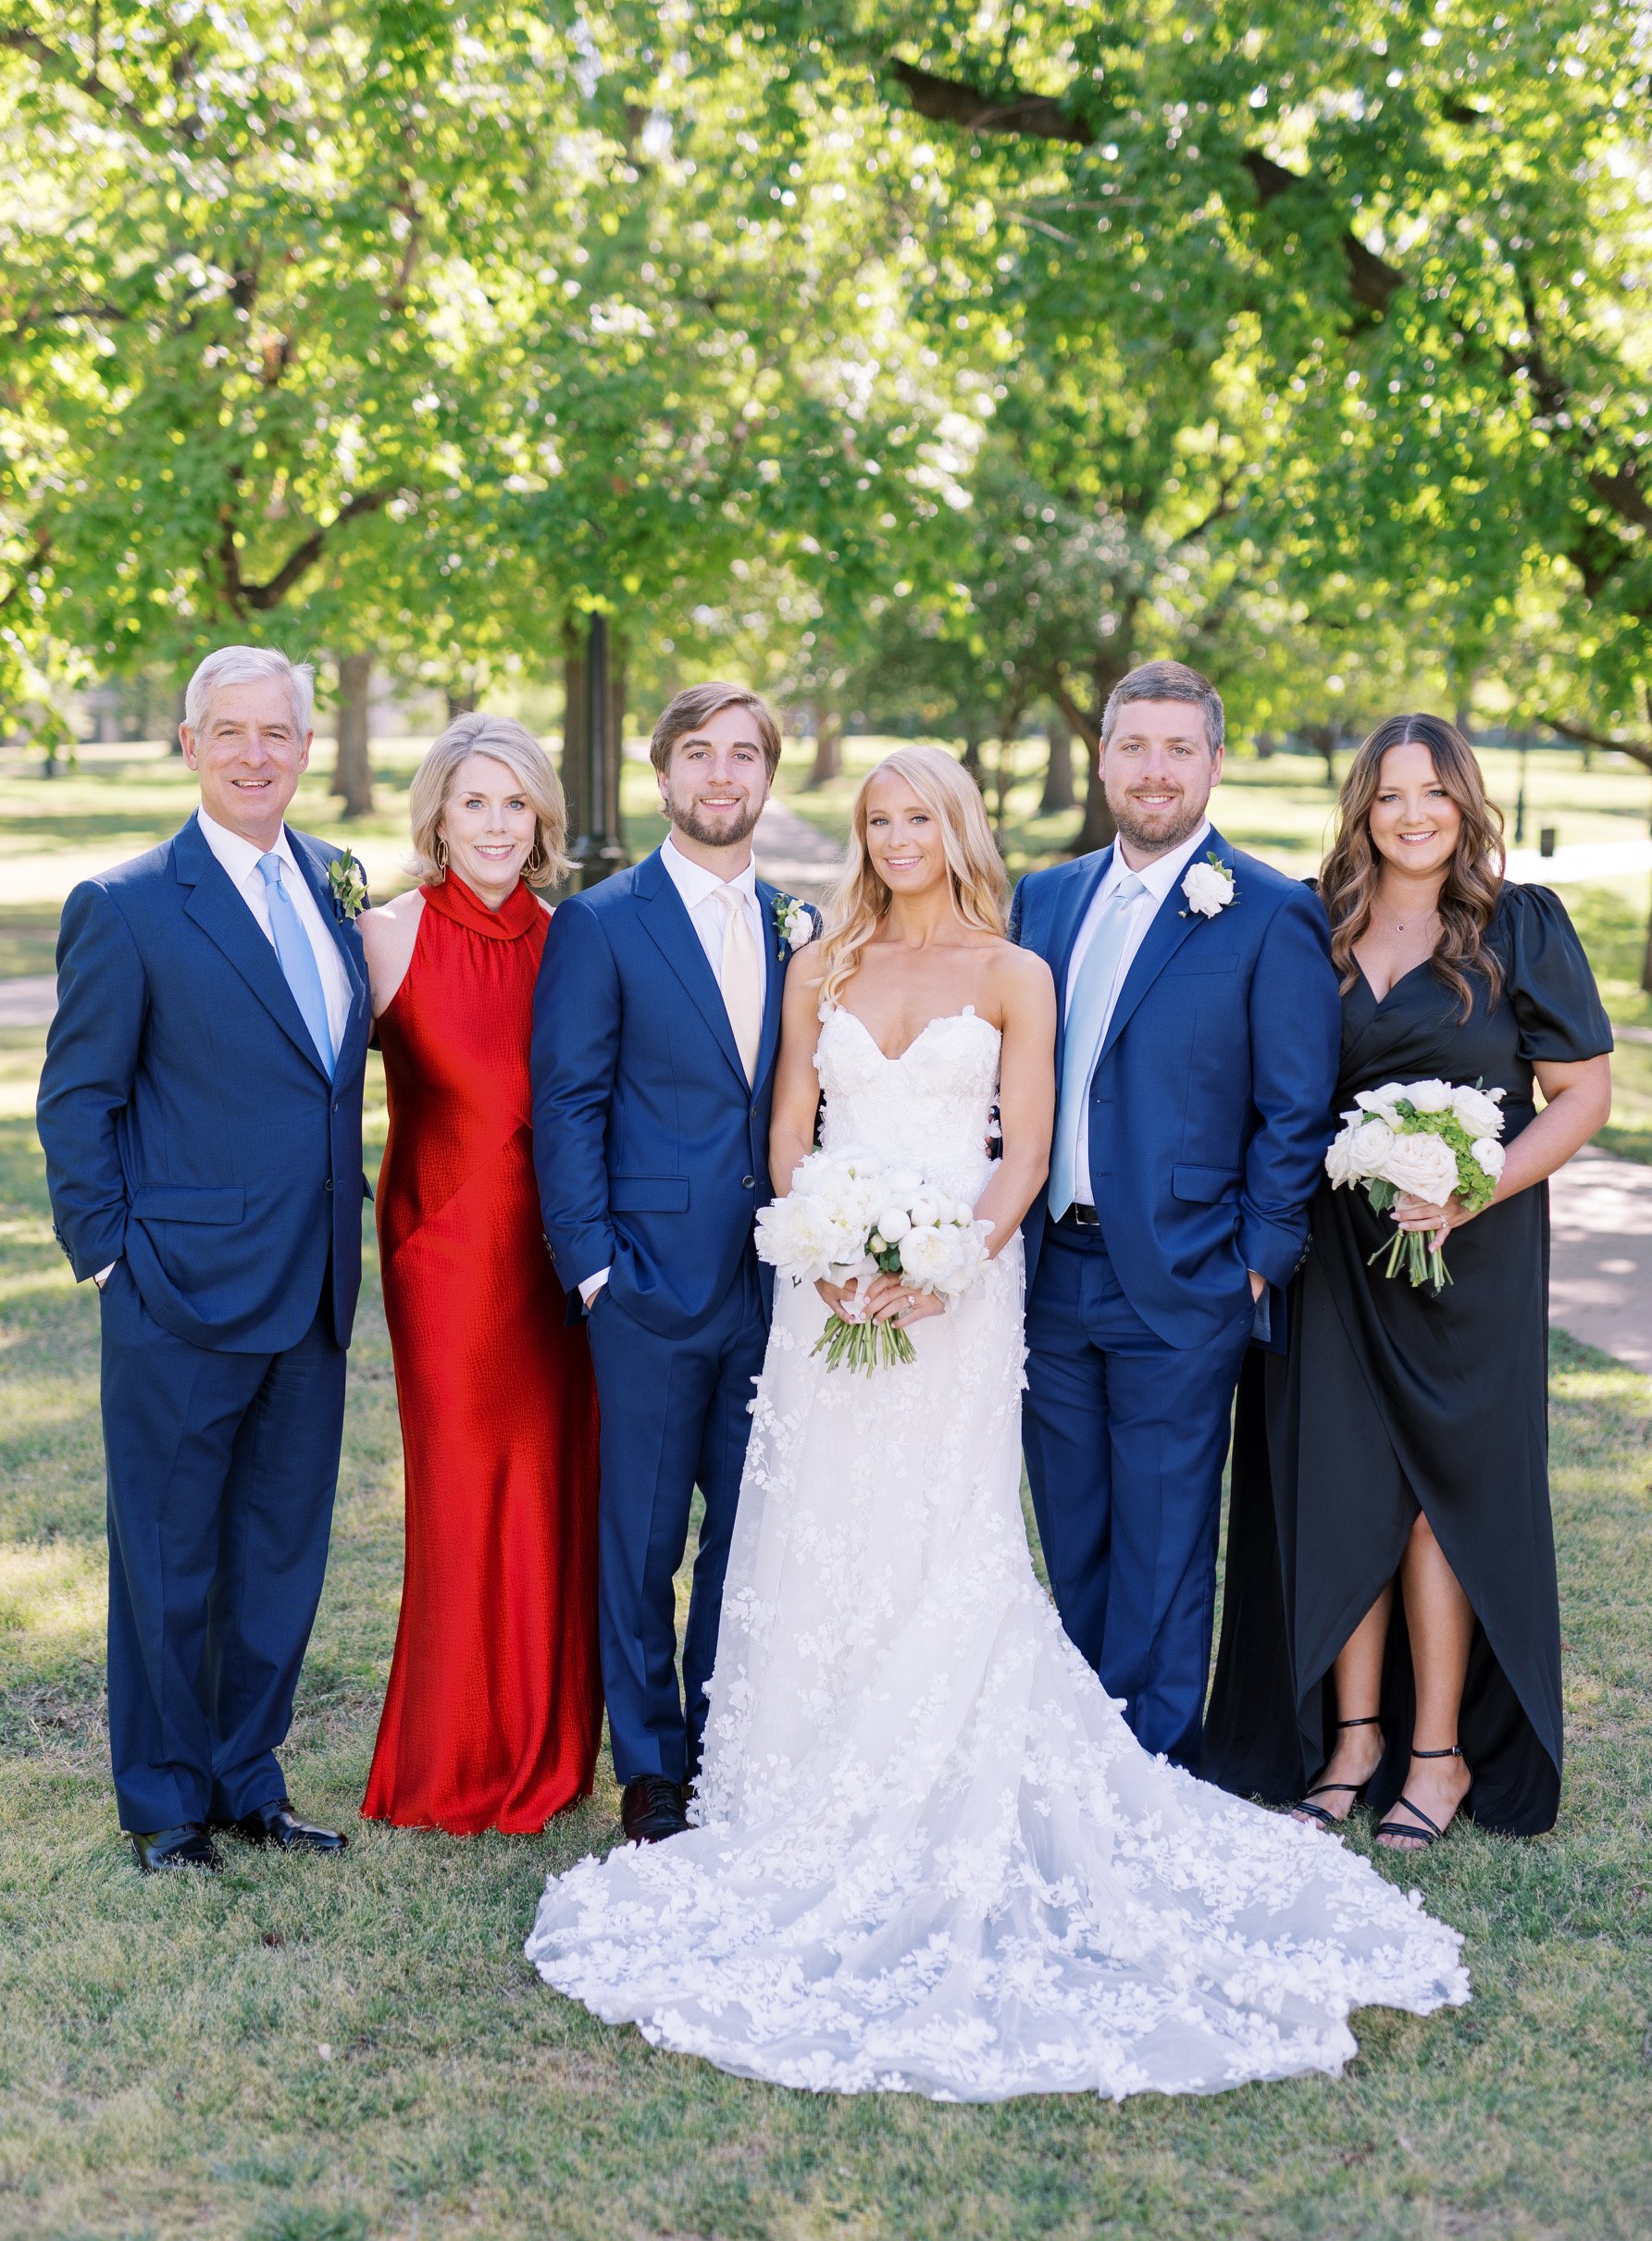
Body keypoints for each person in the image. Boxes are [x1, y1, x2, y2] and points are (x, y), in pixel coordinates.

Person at [524, 746, 1468, 2105]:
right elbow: (789, 1129)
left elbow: (1023, 1153)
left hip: (961, 1297)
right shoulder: (822, 965)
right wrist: (826, 1245)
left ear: (958, 827)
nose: (900, 837)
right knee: (810, 1530)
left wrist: (943, 1261)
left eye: (921, 816)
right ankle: (791, 1782)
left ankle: (960, 1772)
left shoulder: (1017, 973)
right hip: (827, 1292)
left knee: (941, 1534)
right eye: (878, 819)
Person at [1204, 715, 1612, 1848]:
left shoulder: (1516, 923)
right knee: (1339, 1486)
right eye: (1389, 796)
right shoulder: (1311, 922)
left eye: (1433, 791)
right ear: (1362, 809)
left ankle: (1437, 1754)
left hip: (1467, 1260)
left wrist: (1475, 1188)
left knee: (1443, 1503)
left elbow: (1580, 1095)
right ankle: (1352, 1743)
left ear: (1464, 800)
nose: (1413, 813)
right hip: (1335, 1257)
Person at [36, 645, 369, 1874]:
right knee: (170, 1557)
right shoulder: (124, 906)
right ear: (189, 744)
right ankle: (167, 1804)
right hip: (177, 1288)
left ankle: (249, 1779)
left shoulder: (335, 883)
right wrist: (114, 1259)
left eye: (275, 732)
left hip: (315, 1283)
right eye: (227, 732)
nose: (253, 755)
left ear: (302, 745)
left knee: (279, 1553)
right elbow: (77, 1103)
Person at [1009, 660, 1342, 1772]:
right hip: (1053, 1269)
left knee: (1162, 1539)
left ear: (1210, 763)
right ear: (1104, 759)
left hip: (1186, 1278)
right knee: (1075, 1528)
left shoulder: (1270, 911)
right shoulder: (1042, 900)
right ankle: (1077, 1748)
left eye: (1178, 750)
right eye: (1135, 748)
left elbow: (1294, 1111)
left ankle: (1147, 1769)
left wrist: (1254, 1264)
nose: (1155, 772)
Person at [530, 682, 815, 1847]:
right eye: (699, 754)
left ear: (765, 779)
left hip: (773, 1285)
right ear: (662, 774)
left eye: (743, 756)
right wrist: (595, 1269)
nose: (721, 776)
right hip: (644, 1284)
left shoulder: (800, 922)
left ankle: (725, 1739)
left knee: (749, 1533)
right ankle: (650, 1766)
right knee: (640, 1541)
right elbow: (566, 1102)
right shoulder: (602, 921)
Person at [358, 715, 602, 1836]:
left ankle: (550, 1754)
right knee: (462, 1494)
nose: (497, 825)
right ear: (438, 818)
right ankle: (448, 1761)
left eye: (517, 804)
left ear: (542, 817)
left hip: (562, 1268)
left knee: (557, 1490)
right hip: (445, 1258)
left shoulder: (577, 936)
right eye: (474, 805)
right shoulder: (385, 935)